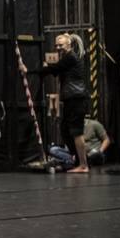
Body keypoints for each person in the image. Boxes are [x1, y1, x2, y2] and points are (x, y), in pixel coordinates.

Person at [27, 32, 91, 174]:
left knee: (76, 132)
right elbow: (56, 70)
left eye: (60, 45)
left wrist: (29, 71)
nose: (57, 47)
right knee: (65, 130)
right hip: (71, 98)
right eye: (56, 45)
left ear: (69, 44)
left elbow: (54, 69)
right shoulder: (67, 58)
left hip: (76, 98)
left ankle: (84, 164)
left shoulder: (70, 57)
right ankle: (79, 160)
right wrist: (45, 69)